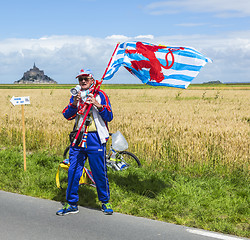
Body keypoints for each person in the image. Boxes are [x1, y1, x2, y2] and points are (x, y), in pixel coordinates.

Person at [56, 69, 113, 216]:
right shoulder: (76, 95)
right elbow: (67, 115)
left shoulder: (100, 94)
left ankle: (105, 202)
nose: (82, 81)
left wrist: (97, 105)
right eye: (80, 79)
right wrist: (74, 104)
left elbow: (109, 116)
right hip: (79, 137)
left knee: (99, 171)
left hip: (95, 138)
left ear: (91, 79)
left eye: (85, 79)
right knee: (73, 170)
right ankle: (71, 203)